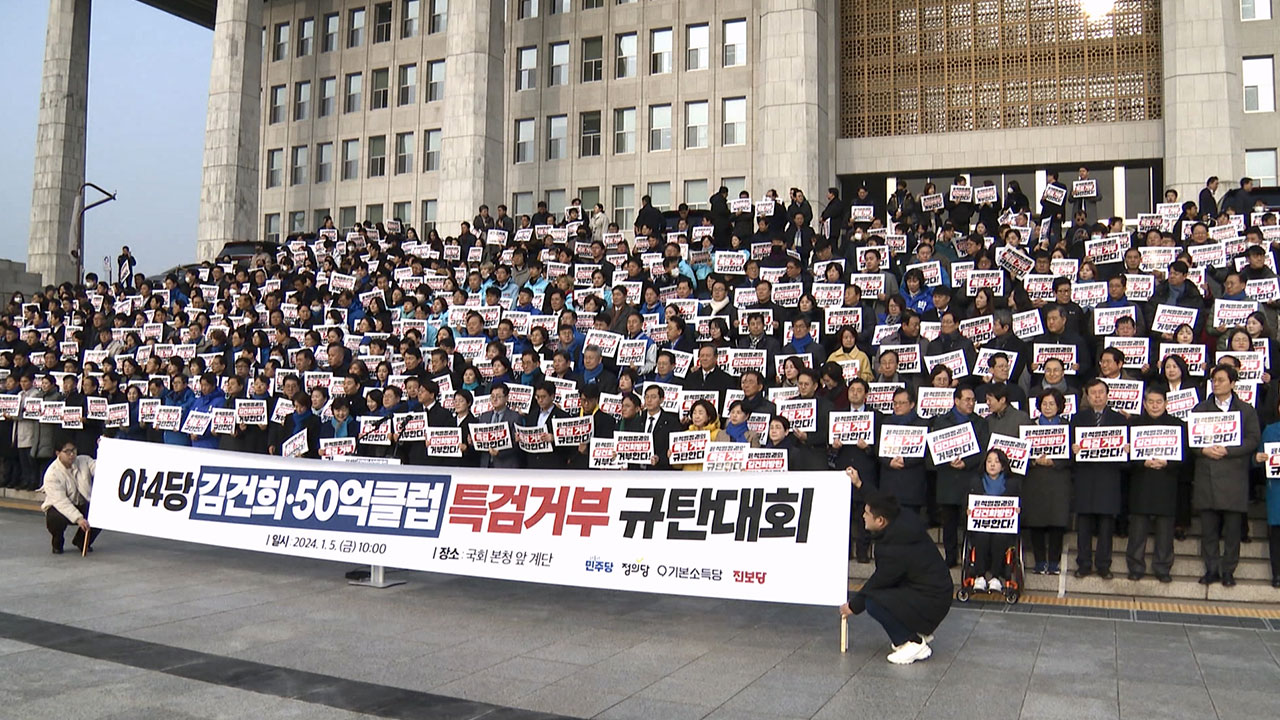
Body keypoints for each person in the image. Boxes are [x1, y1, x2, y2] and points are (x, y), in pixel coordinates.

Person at [840, 468, 952, 666]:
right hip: (929, 587)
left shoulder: (896, 547)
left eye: (866, 514)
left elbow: (878, 582)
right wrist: (859, 483)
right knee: (880, 595)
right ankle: (915, 632)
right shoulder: (897, 515)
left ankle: (912, 642)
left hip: (932, 597)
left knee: (874, 601)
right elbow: (877, 498)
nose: (863, 516)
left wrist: (853, 606)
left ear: (880, 521)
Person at [1191, 364, 1261, 587]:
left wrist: (1229, 450)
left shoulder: (1246, 410)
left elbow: (1253, 439)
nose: (1217, 384)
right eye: (1214, 380)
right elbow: (1190, 439)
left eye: (1221, 380)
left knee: (1232, 530)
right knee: (1209, 528)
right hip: (1207, 473)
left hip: (1234, 474)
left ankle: (1229, 570)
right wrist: (1203, 450)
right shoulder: (1200, 409)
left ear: (1232, 383)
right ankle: (1211, 569)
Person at [1125, 387, 1185, 583]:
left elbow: (1186, 457)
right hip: (1141, 482)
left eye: (1159, 402)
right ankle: (1135, 567)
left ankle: (1163, 568)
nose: (1155, 405)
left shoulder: (1177, 425)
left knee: (1165, 530)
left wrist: (1167, 462)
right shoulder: (1133, 425)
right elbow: (1125, 458)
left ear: (1166, 404)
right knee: (1137, 530)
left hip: (1166, 481)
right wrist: (1139, 460)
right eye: (1150, 402)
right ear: (1144, 404)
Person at [965, 449, 1022, 593]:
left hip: (1002, 530)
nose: (992, 465)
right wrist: (968, 512)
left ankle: (996, 577)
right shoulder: (975, 482)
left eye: (996, 462)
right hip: (981, 528)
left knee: (999, 537)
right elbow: (965, 506)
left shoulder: (1013, 484)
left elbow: (1021, 508)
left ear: (1003, 466)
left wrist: (1018, 511)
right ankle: (980, 576)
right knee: (981, 536)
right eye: (989, 461)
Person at [41, 439, 101, 554]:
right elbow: (61, 502)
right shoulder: (51, 474)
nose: (72, 454)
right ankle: (57, 540)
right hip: (60, 508)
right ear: (58, 453)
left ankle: (82, 541)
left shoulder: (84, 460)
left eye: (73, 450)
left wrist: (103, 450)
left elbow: (100, 468)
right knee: (55, 517)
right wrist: (79, 519)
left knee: (101, 512)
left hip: (82, 502)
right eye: (67, 452)